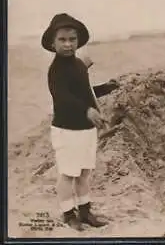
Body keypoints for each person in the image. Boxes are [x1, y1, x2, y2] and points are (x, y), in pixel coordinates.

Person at [42, 13, 118, 231]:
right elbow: (62, 96)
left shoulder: (77, 65)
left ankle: (85, 212)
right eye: (62, 40)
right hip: (67, 130)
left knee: (85, 173)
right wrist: (87, 110)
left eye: (72, 40)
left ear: (78, 41)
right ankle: (68, 214)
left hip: (86, 130)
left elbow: (85, 92)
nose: (68, 44)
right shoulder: (56, 69)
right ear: (52, 43)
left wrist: (107, 88)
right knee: (68, 174)